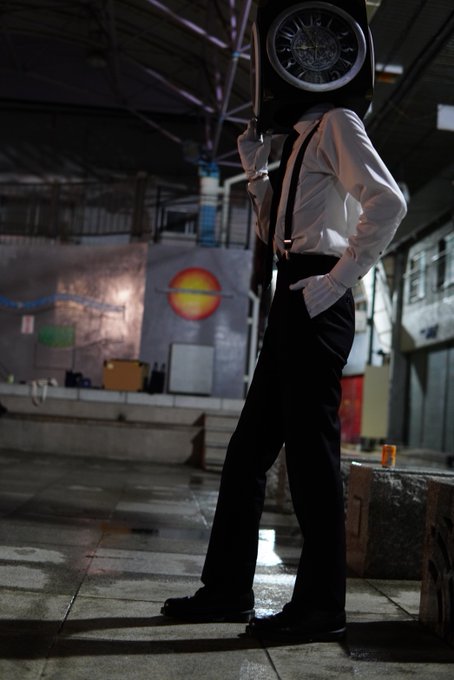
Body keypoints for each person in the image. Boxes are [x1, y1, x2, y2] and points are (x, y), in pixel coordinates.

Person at [161, 102, 407, 642]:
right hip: (292, 291)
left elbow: (388, 201)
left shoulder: (336, 121)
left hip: (318, 292)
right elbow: (279, 234)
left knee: (310, 459)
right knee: (248, 453)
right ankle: (227, 590)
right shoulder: (299, 139)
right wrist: (256, 171)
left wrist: (338, 280)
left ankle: (321, 607)